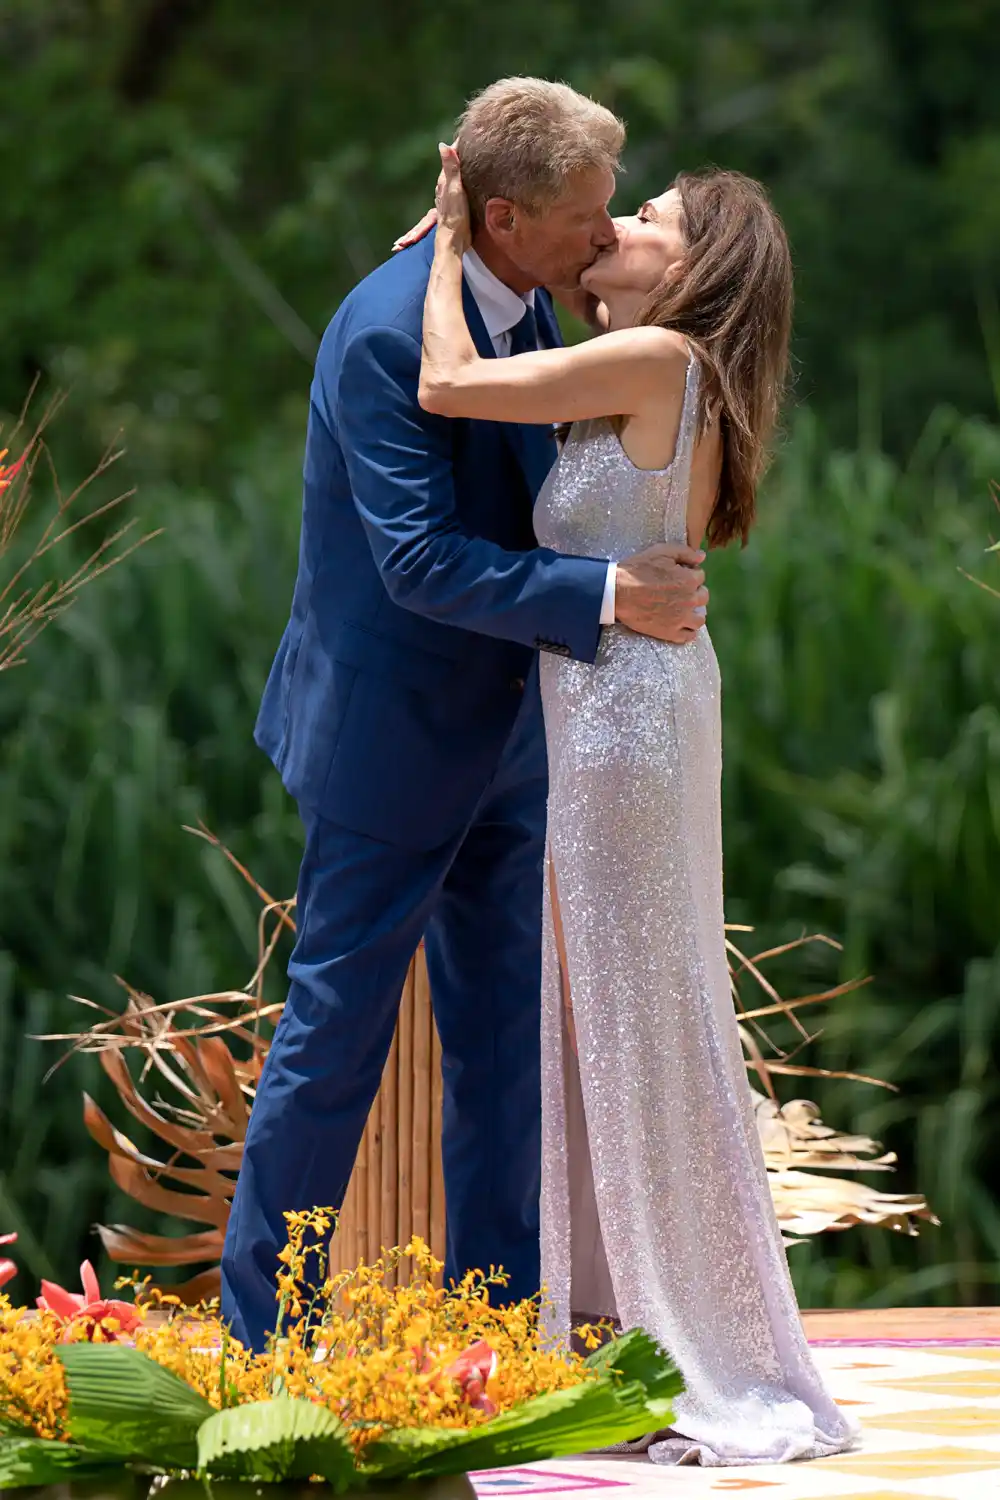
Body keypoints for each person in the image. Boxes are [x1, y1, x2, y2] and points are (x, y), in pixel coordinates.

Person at [220, 77, 709, 1355]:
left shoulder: (537, 299)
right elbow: (419, 563)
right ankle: (268, 1337)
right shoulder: (386, 336)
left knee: (506, 1048)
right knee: (335, 1040)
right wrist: (608, 595)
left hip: (515, 739)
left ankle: (499, 1334)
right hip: (388, 744)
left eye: (613, 209)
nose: (605, 234)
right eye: (586, 217)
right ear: (502, 216)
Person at [416, 143, 859, 1467]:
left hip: (621, 721)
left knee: (613, 1005)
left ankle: (649, 1322)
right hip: (635, 704)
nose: (619, 222)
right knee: (616, 1004)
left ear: (699, 263)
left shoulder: (658, 364)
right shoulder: (660, 372)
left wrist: (449, 237)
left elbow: (447, 381)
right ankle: (635, 1312)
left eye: (648, 216)